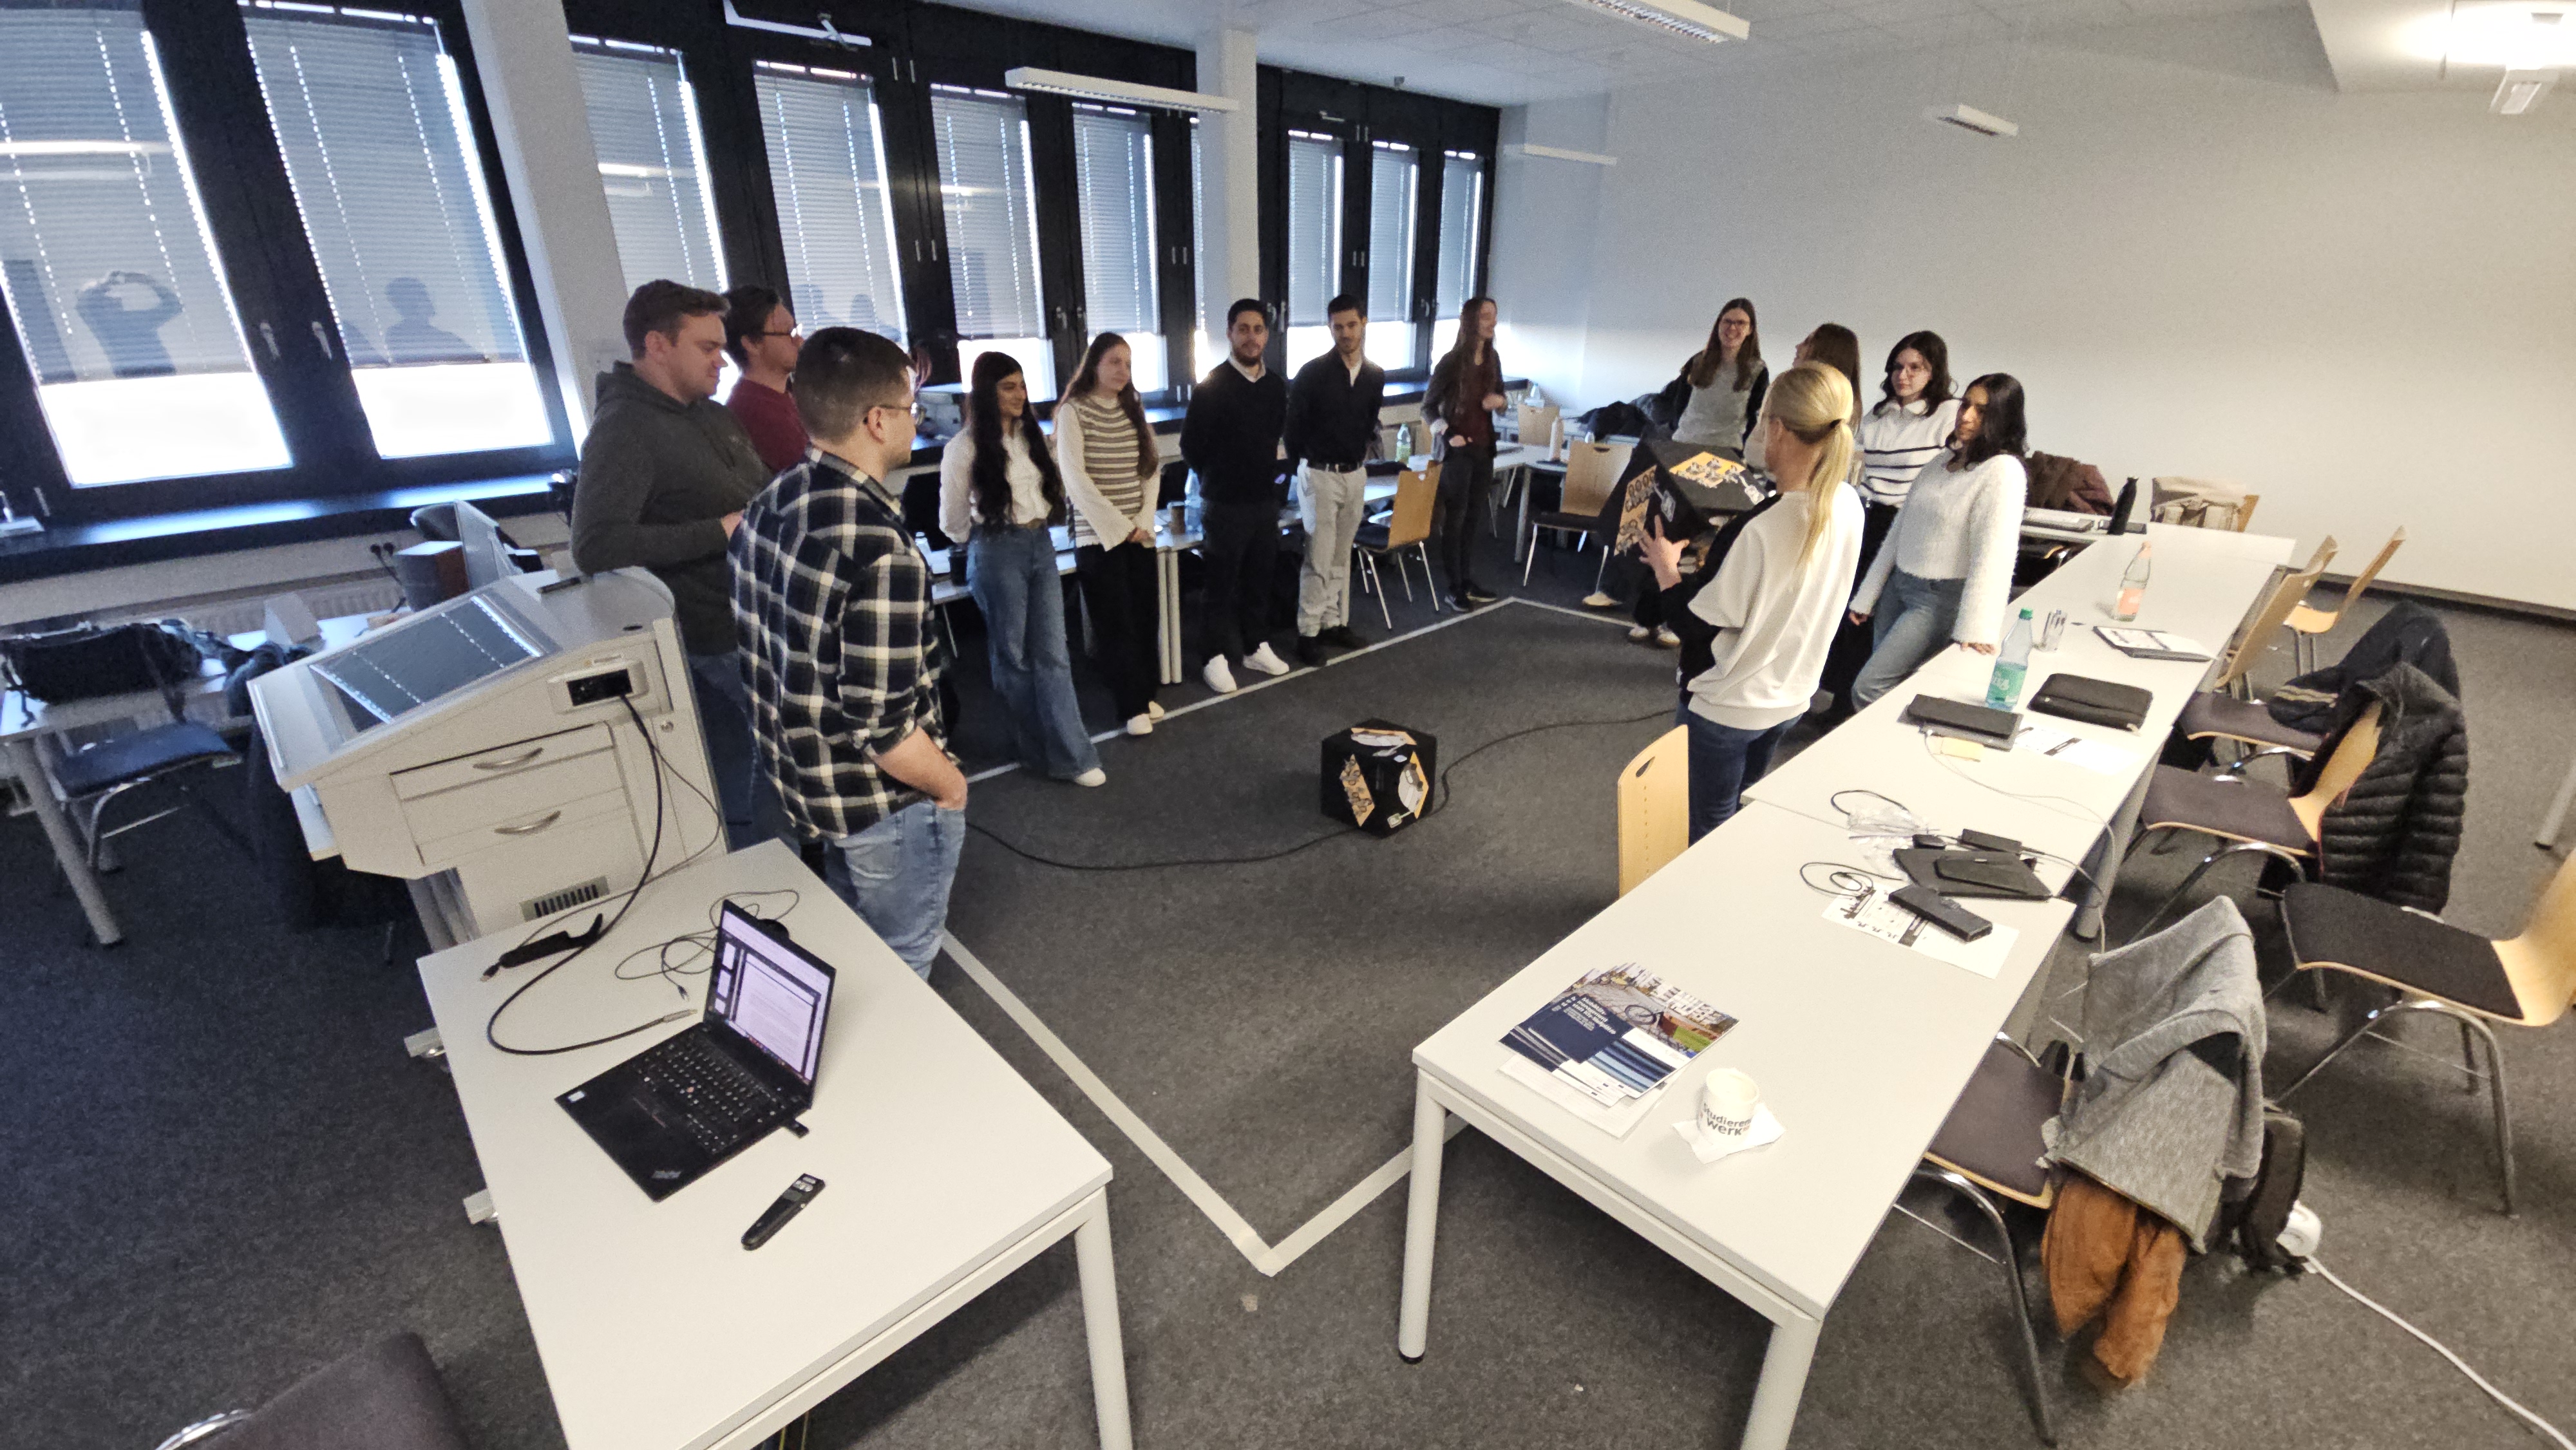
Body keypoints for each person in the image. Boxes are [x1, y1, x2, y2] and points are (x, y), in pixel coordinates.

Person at [730, 328, 968, 981]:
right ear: (876, 419)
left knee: (854, 953)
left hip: (809, 788)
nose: (916, 421)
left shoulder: (770, 501)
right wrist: (950, 786)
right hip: (882, 806)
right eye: (911, 408)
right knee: (902, 962)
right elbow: (884, 729)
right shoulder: (880, 551)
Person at [573, 279, 773, 849]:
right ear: (658, 346)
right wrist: (718, 531)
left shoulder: (708, 413)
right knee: (778, 750)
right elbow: (595, 545)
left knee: (778, 747)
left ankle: (783, 860)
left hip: (762, 613)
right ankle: (775, 867)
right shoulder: (625, 429)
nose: (722, 360)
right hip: (716, 632)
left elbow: (750, 490)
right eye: (708, 348)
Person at [1640, 362, 1866, 838]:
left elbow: (1694, 625)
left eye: (1764, 419)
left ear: (1778, 428)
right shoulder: (1847, 505)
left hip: (1728, 706)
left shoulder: (1763, 529)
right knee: (1738, 813)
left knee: (1706, 825)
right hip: (1791, 699)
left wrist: (1664, 569)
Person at [938, 351, 1106, 786]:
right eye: (1007, 387)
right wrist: (976, 541)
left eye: (1022, 385)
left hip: (1039, 545)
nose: (1020, 395)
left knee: (1052, 652)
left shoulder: (1034, 438)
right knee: (1013, 658)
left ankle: (1073, 755)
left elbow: (1055, 490)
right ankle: (1034, 751)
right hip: (996, 549)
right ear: (986, 394)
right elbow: (952, 521)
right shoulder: (964, 448)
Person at [1847, 372, 2030, 708]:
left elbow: (1995, 554)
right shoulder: (1940, 461)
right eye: (1966, 405)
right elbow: (1899, 532)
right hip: (1898, 588)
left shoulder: (2002, 471)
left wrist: (1977, 628)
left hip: (1937, 600)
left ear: (2003, 419)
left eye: (1982, 411)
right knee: (1888, 690)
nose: (1968, 416)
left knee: (1869, 688)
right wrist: (1867, 595)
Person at [1819, 332, 1960, 719]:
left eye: (1916, 368)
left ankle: (1866, 707)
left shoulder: (1948, 415)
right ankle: (1840, 702)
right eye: (1899, 367)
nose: (1905, 375)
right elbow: (1854, 471)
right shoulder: (1878, 416)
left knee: (1885, 618)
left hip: (1911, 525)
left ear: (1934, 373)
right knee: (1852, 613)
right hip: (1867, 518)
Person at [1180, 299, 1292, 694]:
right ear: (1229, 334)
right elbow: (1191, 447)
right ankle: (1213, 656)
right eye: (1243, 329)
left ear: (1266, 335)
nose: (1251, 337)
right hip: (1224, 504)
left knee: (1260, 579)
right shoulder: (1212, 386)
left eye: (1258, 329)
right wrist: (1220, 477)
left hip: (1264, 502)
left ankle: (1254, 646)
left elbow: (1278, 440)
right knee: (1220, 586)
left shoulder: (1277, 387)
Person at [1057, 332, 1165, 737]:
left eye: (1128, 363)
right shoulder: (1074, 412)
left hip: (1138, 533)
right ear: (1094, 366)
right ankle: (1129, 704)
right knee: (1114, 621)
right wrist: (1120, 528)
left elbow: (1151, 468)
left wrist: (1143, 520)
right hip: (1098, 538)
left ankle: (1143, 693)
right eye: (1114, 362)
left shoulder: (1132, 406)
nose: (1123, 370)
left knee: (1143, 616)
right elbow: (1075, 479)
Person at [1284, 294, 1386, 665]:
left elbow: (1367, 424)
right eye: (1338, 327)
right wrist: (1306, 471)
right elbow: (1293, 432)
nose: (1345, 333)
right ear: (1330, 328)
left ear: (1364, 323)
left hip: (1355, 473)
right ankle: (1308, 632)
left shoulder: (1375, 375)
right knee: (1319, 557)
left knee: (1343, 555)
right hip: (1319, 474)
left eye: (1352, 325)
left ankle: (1333, 622)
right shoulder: (1312, 374)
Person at [1422, 296, 1505, 610]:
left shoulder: (1494, 358)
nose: (1491, 322)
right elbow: (1428, 407)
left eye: (1494, 316)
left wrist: (1499, 403)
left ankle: (1467, 579)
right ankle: (1453, 586)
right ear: (1471, 320)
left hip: (1484, 448)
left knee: (1473, 518)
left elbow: (1502, 397)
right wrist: (1449, 433)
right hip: (1456, 452)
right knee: (1454, 520)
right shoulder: (1452, 361)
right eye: (1485, 316)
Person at [724, 284, 809, 473]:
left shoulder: (789, 393)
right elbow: (811, 475)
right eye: (788, 333)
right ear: (751, 344)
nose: (800, 341)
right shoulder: (754, 410)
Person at [1671, 299, 1768, 458]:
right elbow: (1679, 404)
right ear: (1718, 325)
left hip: (1726, 452)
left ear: (1750, 330)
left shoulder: (1757, 371)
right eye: (1727, 321)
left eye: (1741, 323)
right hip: (1684, 445)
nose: (1732, 328)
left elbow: (1755, 418)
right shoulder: (1697, 362)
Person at [74, 270, 182, 377]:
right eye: (108, 293)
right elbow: (83, 302)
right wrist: (105, 283)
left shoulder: (133, 320)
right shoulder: (109, 326)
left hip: (161, 376)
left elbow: (174, 307)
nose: (118, 296)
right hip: (140, 379)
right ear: (100, 303)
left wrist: (148, 281)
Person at [383, 278, 477, 362]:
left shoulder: (443, 337)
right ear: (412, 304)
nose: (430, 300)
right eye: (424, 296)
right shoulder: (400, 335)